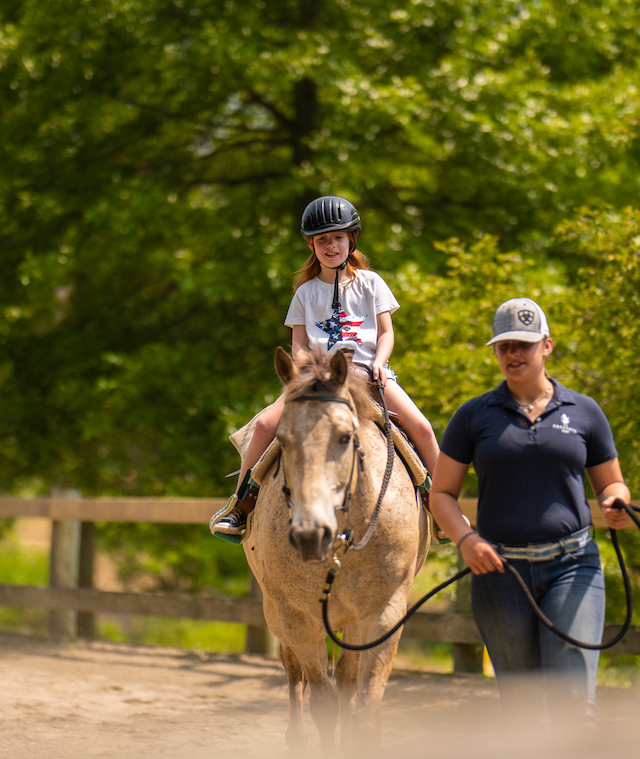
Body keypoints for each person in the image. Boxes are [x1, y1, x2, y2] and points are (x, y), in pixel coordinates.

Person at [429, 297, 631, 729]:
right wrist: (467, 539)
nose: (513, 354)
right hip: (499, 577)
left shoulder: (585, 411)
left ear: (547, 346)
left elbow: (611, 483)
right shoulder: (472, 416)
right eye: (504, 346)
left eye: (523, 343)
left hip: (573, 568)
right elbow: (441, 494)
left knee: (573, 709)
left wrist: (617, 501)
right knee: (523, 716)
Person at [211, 195, 439, 535]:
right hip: (317, 381)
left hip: (367, 374)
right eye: (321, 240)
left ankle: (442, 505)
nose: (330, 245)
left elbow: (386, 332)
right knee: (262, 427)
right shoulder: (304, 293)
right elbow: (299, 345)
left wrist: (379, 361)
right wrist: (305, 373)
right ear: (311, 244)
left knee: (421, 428)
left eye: (337, 237)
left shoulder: (371, 283)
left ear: (351, 239)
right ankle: (240, 505)